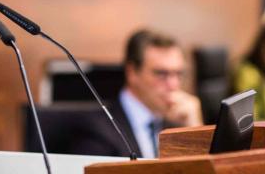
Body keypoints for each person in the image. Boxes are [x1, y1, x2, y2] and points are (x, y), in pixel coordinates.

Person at [73, 29, 202, 158]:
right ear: (132, 72)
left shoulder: (177, 125)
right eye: (161, 74)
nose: (174, 85)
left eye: (178, 74)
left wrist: (195, 131)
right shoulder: (98, 130)